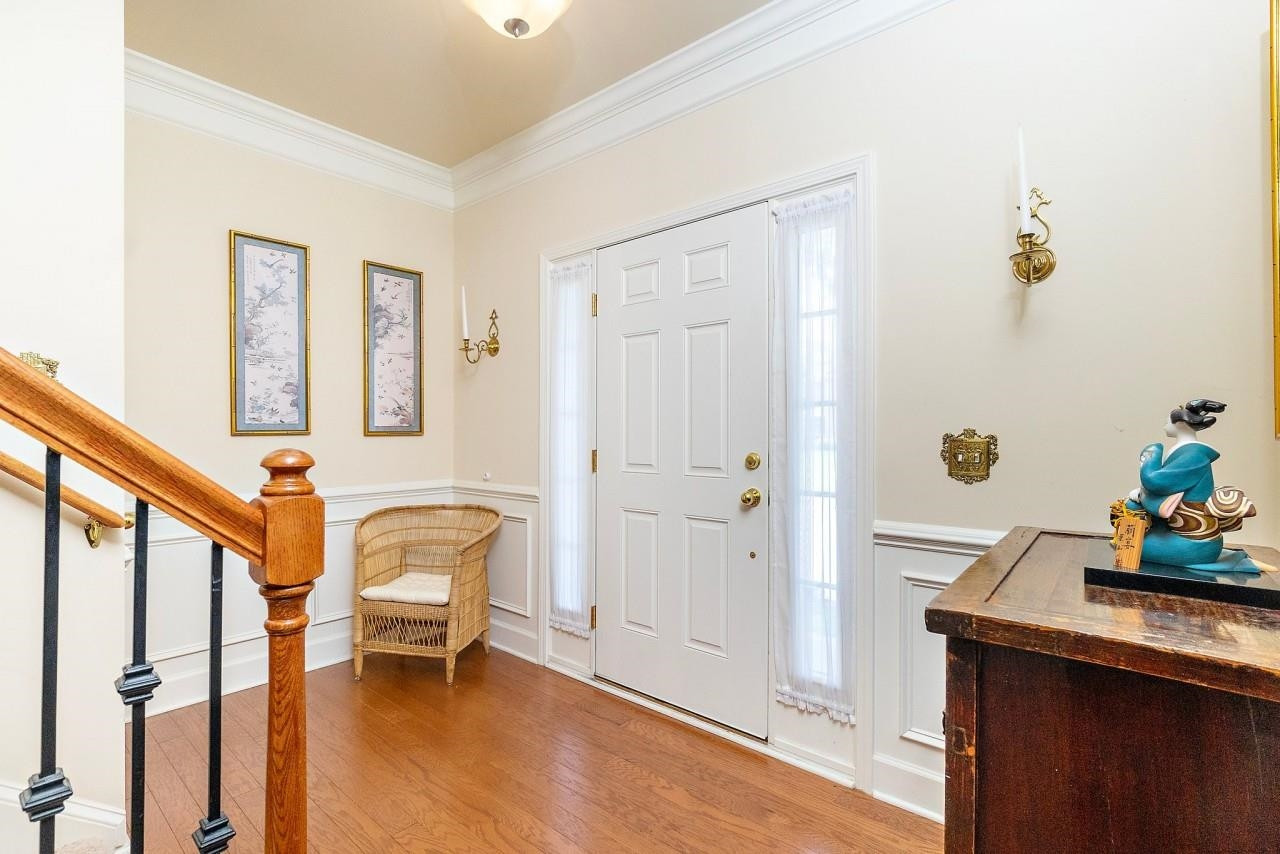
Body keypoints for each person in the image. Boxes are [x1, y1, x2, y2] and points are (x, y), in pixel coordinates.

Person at [1124, 399, 1259, 574]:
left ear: (1180, 424)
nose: (1165, 425)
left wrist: (1151, 454)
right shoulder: (1186, 452)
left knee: (1130, 543)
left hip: (1195, 542)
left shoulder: (1194, 455)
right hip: (1179, 532)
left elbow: (1155, 481)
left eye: (1167, 421)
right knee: (1131, 516)